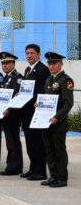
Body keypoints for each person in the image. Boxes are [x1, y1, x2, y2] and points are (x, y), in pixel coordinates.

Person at [39, 52, 74, 188]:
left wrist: (57, 117)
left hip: (58, 122)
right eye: (50, 63)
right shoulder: (49, 80)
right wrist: (39, 104)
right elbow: (47, 100)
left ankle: (62, 178)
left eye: (55, 63)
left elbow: (68, 104)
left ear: (61, 64)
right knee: (49, 149)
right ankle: (53, 176)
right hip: (46, 120)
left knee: (59, 150)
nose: (52, 66)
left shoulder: (65, 80)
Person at [20, 44, 51, 180]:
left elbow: (40, 91)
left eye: (32, 53)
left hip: (35, 111)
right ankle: (33, 168)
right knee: (30, 142)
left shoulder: (42, 70)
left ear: (38, 54)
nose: (29, 56)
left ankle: (40, 171)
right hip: (27, 112)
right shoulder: (28, 69)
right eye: (27, 53)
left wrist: (24, 100)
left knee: (38, 142)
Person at [0, 52, 24, 176]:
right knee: (11, 141)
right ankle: (15, 166)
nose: (5, 66)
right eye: (3, 63)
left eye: (7, 63)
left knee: (13, 141)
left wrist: (10, 110)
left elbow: (18, 97)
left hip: (13, 114)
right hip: (5, 113)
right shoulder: (6, 77)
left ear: (13, 63)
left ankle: (13, 167)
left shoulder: (18, 78)